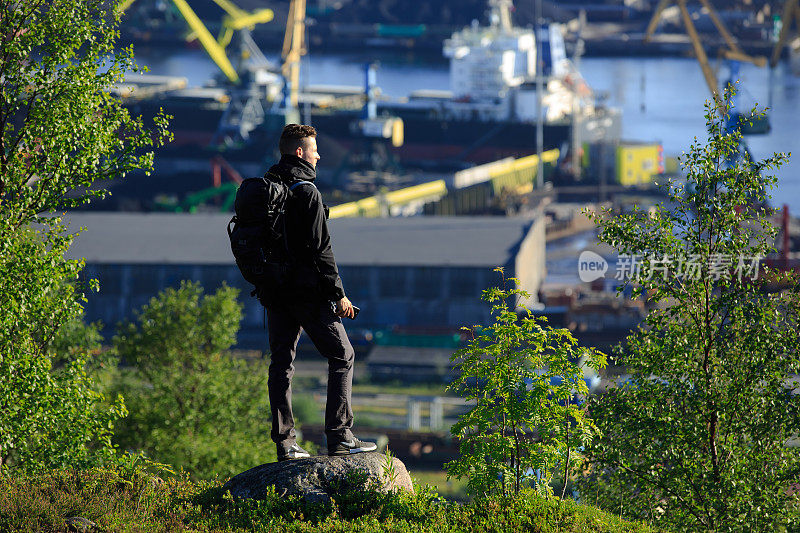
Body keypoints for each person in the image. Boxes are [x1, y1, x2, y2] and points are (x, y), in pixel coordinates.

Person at [263, 123, 377, 461]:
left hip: (274, 291)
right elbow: (320, 249)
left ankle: (285, 444)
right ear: (300, 152)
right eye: (314, 149)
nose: (319, 154)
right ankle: (340, 435)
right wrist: (338, 294)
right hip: (306, 293)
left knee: (281, 363)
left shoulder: (270, 186)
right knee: (343, 355)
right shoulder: (307, 192)